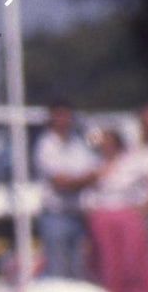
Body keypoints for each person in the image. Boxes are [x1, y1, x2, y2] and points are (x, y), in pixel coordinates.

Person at [83, 129, 148, 292]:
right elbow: (88, 193)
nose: (107, 146)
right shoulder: (95, 164)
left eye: (110, 141)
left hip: (127, 213)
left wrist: (145, 206)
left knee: (133, 260)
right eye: (104, 142)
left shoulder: (131, 162)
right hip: (102, 215)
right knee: (107, 262)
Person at [34, 102, 99, 279]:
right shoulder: (45, 145)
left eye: (67, 115)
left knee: (78, 272)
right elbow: (61, 182)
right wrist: (82, 179)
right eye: (59, 116)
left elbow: (96, 173)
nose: (63, 120)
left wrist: (78, 180)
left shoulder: (78, 144)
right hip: (56, 216)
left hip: (78, 216)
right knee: (58, 271)